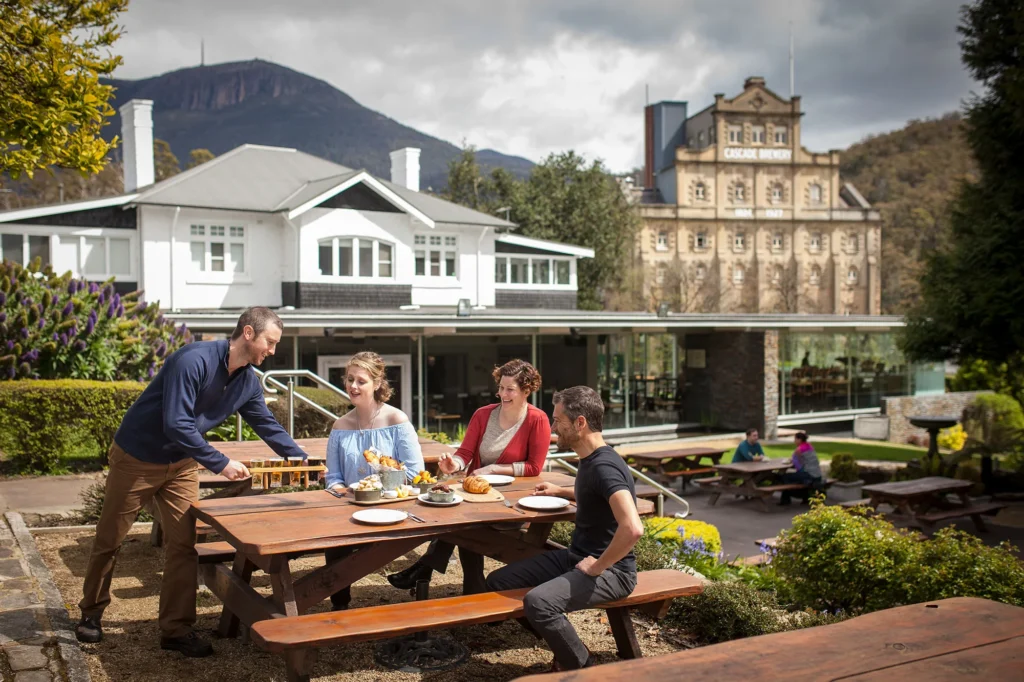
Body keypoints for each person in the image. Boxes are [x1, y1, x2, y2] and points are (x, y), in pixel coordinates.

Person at [76, 307, 307, 657]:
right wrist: (221, 463)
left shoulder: (246, 381)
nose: (272, 351)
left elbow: (267, 424)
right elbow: (176, 423)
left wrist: (304, 459)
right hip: (136, 457)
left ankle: (176, 630)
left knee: (184, 545)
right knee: (110, 539)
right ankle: (91, 614)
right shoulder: (192, 360)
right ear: (248, 333)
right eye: (270, 342)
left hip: (182, 464)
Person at [486, 386, 642, 672]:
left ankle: (581, 667)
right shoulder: (590, 459)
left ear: (580, 423)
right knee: (499, 582)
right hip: (576, 557)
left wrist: (598, 567)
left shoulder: (605, 466)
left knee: (538, 602)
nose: (554, 427)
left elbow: (632, 528)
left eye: (558, 421)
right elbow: (595, 495)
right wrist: (560, 490)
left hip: (613, 572)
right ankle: (566, 648)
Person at [387, 359, 550, 593]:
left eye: (510, 389)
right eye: (501, 387)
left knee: (464, 526)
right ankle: (471, 588)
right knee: (461, 521)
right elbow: (465, 453)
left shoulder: (537, 419)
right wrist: (454, 464)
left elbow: (534, 466)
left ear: (526, 390)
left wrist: (494, 469)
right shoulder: (483, 415)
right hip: (475, 497)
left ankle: (432, 570)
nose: (503, 394)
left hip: (512, 502)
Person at [323, 351, 423, 610]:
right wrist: (339, 490)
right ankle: (340, 604)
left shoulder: (396, 420)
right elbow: (333, 477)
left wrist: (377, 484)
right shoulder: (340, 426)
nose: (352, 386)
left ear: (377, 384)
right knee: (333, 541)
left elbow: (414, 473)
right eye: (349, 379)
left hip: (391, 507)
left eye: (361, 381)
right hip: (350, 508)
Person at [778, 431, 823, 505]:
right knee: (794, 477)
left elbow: (798, 467)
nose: (794, 441)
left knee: (784, 477)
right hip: (818, 475)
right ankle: (805, 498)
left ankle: (786, 500)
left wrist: (791, 461)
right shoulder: (810, 446)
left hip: (809, 475)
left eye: (795, 439)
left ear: (799, 440)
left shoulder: (798, 449)